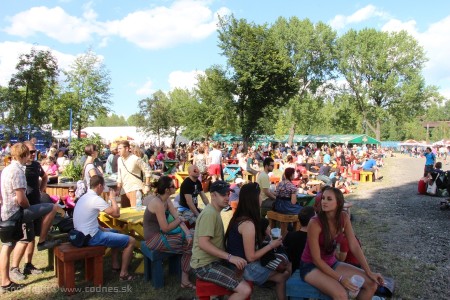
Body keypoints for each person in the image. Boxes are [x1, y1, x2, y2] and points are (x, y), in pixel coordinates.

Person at [300, 187, 383, 299]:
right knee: (341, 295)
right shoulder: (315, 223)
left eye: (329, 199)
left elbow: (354, 246)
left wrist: (369, 271)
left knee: (371, 284)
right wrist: (340, 278)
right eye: (323, 198)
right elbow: (316, 259)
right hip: (311, 266)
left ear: (338, 203)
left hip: (331, 262)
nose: (324, 201)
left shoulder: (344, 217)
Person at [0, 143, 61, 293]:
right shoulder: (18, 171)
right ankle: (42, 242)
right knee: (53, 207)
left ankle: (5, 282)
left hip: (6, 213)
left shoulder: (6, 169)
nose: (32, 155)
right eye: (30, 153)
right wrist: (30, 208)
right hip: (17, 213)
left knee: (7, 246)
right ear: (25, 155)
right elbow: (21, 199)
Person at [225, 183, 290, 300]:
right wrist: (271, 245)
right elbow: (251, 257)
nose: (261, 198)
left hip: (236, 265)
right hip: (243, 269)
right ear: (254, 199)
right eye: (259, 195)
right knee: (285, 271)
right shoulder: (248, 224)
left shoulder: (240, 217)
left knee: (282, 276)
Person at [190, 181, 251, 299]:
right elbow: (203, 243)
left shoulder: (214, 212)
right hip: (205, 266)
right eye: (223, 195)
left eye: (228, 194)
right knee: (245, 290)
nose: (227, 197)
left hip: (212, 262)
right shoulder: (209, 214)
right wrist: (230, 257)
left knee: (241, 274)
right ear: (213, 195)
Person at [73, 175, 135, 281]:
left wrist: (102, 228)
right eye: (103, 187)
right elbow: (116, 214)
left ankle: (115, 265)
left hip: (81, 234)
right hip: (91, 237)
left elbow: (88, 219)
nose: (104, 189)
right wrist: (113, 199)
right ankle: (123, 274)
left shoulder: (84, 197)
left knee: (116, 231)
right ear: (100, 186)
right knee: (131, 241)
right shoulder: (95, 199)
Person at [143, 176, 194, 289]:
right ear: (167, 190)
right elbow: (166, 228)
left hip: (160, 235)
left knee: (190, 239)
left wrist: (187, 233)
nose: (176, 187)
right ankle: (185, 280)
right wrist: (180, 220)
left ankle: (184, 277)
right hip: (153, 239)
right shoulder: (158, 203)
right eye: (173, 186)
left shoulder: (166, 200)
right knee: (190, 246)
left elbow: (177, 218)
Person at [9, 141, 49, 281]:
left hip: (35, 204)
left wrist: (41, 190)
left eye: (34, 152)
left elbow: (45, 177)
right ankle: (14, 268)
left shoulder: (36, 165)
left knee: (31, 236)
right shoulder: (19, 168)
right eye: (30, 152)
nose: (33, 155)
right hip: (24, 207)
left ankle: (28, 264)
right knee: (24, 238)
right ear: (24, 152)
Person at [116, 140, 152, 208]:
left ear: (126, 149)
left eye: (120, 148)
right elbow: (119, 176)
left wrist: (147, 185)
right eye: (118, 149)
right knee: (125, 214)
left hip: (135, 188)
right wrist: (118, 189)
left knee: (135, 212)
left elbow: (148, 170)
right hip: (124, 190)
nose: (118, 150)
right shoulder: (119, 159)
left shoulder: (135, 159)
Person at [283, 206, 315, 273]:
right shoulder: (316, 238)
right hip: (312, 272)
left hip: (294, 270)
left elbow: (286, 256)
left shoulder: (290, 236)